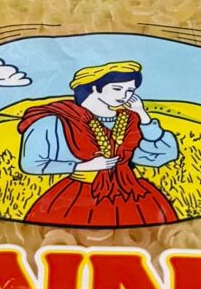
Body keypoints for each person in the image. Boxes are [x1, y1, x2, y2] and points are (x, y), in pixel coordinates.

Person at [17, 61, 180, 227]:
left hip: (130, 192)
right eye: (117, 88)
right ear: (94, 87)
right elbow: (31, 164)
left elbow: (162, 155)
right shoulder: (55, 120)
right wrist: (82, 167)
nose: (125, 96)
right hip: (77, 195)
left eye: (130, 90)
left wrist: (143, 115)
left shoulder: (130, 119)